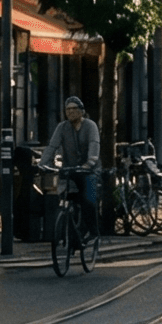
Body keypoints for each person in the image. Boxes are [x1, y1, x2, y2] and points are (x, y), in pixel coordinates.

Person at [38, 96, 101, 241]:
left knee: (88, 200)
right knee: (66, 197)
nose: (70, 112)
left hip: (88, 171)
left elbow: (94, 145)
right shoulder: (62, 127)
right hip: (70, 170)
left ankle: (93, 231)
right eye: (68, 109)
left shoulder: (90, 126)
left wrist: (90, 163)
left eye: (74, 108)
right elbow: (52, 146)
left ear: (81, 111)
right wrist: (42, 164)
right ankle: (68, 228)